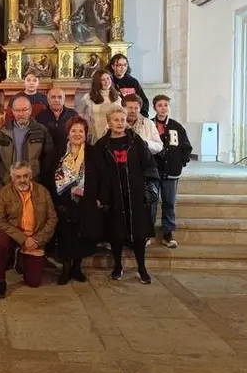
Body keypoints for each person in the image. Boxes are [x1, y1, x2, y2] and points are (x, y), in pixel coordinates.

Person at [89, 106, 160, 284]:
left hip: (136, 195)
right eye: (116, 120)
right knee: (117, 233)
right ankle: (118, 266)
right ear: (109, 122)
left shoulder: (137, 142)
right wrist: (100, 196)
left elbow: (149, 167)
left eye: (122, 119)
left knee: (138, 234)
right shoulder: (102, 146)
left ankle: (142, 267)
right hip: (113, 196)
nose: (120, 123)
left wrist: (147, 191)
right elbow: (97, 173)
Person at [0, 162, 57, 299]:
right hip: (14, 235)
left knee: (33, 282)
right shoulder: (4, 193)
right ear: (12, 178)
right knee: (0, 243)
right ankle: (0, 281)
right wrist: (23, 239)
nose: (22, 180)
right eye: (18, 177)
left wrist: (37, 240)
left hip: (35, 237)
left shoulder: (43, 192)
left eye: (25, 176)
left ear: (30, 176)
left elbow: (52, 219)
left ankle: (21, 258)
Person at [52, 116, 97, 284]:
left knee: (81, 236)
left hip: (86, 201)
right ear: (68, 133)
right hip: (64, 201)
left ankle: (77, 269)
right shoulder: (59, 152)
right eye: (73, 131)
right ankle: (65, 270)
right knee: (65, 237)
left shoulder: (93, 152)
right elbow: (50, 174)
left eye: (81, 131)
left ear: (85, 134)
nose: (77, 134)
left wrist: (98, 198)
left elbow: (101, 177)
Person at [152, 95, 193, 249]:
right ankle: (148, 232)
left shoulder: (176, 126)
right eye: (160, 105)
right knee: (151, 203)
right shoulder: (150, 125)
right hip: (153, 171)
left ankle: (168, 232)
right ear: (154, 108)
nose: (163, 108)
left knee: (169, 202)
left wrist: (180, 162)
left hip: (171, 171)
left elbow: (186, 147)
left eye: (166, 105)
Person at [0, 95, 53, 185]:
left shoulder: (41, 130)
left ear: (30, 110)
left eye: (25, 109)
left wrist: (40, 178)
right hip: (8, 181)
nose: (21, 113)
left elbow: (48, 157)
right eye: (17, 110)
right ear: (12, 111)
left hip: (33, 182)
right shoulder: (3, 131)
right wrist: (2, 177)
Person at [78, 67, 121, 144]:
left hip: (114, 135)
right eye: (103, 80)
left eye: (108, 78)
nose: (107, 81)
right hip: (95, 135)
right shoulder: (88, 97)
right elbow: (79, 114)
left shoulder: (117, 97)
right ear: (97, 82)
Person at [36, 87, 78, 159]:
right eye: (53, 97)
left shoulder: (73, 115)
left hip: (69, 156)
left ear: (64, 99)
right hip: (47, 156)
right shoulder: (40, 116)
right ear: (48, 100)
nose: (56, 100)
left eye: (59, 97)